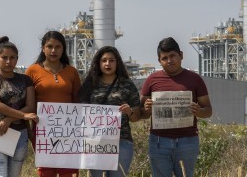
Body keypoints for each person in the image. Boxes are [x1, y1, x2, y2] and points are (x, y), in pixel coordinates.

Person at [140, 37, 212, 177]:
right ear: (159, 61)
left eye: (172, 55)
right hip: (159, 142)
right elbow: (141, 113)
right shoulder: (151, 80)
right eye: (164, 58)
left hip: (188, 142)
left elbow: (208, 110)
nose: (169, 61)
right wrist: (146, 109)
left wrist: (199, 111)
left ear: (181, 55)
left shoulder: (195, 79)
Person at [78, 46, 141, 177]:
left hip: (122, 142)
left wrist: (129, 112)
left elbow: (136, 117)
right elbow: (80, 112)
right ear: (98, 63)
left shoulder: (127, 85)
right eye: (104, 60)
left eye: (111, 60)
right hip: (95, 142)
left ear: (117, 62)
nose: (108, 64)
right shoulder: (89, 84)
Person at [25, 30, 81, 177]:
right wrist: (30, 132)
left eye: (58, 46)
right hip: (43, 131)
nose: (53, 50)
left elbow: (78, 102)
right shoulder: (32, 71)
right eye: (49, 46)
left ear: (63, 49)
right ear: (43, 48)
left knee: (68, 172)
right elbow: (26, 103)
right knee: (46, 172)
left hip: (69, 131)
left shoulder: (72, 72)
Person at [0, 36, 39, 177]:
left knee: (15, 174)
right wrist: (22, 116)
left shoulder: (25, 80)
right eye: (4, 57)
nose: (8, 61)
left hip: (20, 133)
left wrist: (9, 119)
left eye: (12, 57)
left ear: (17, 59)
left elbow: (30, 106)